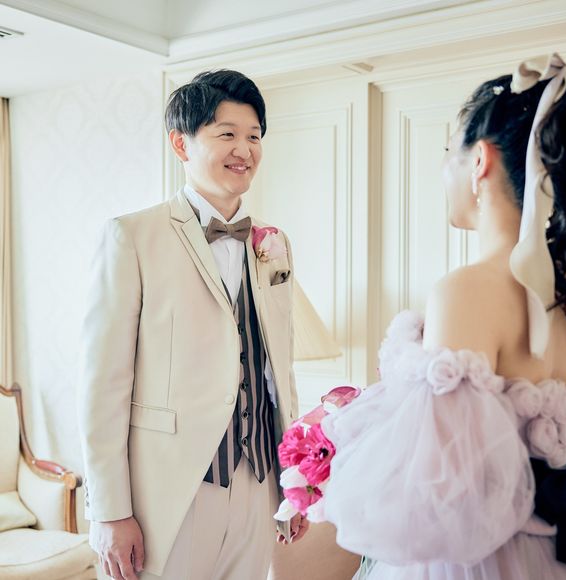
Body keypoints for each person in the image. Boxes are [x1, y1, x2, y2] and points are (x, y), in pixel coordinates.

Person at [320, 53, 566, 579]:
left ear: (479, 160)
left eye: (448, 153)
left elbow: (442, 490)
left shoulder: (468, 290)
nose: (444, 170)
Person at [78, 69, 308, 580]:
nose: (244, 150)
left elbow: (279, 369)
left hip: (257, 480)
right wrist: (109, 511)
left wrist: (292, 481)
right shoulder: (131, 237)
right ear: (181, 144)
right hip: (171, 489)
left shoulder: (274, 244)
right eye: (227, 134)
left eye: (254, 136)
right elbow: (102, 386)